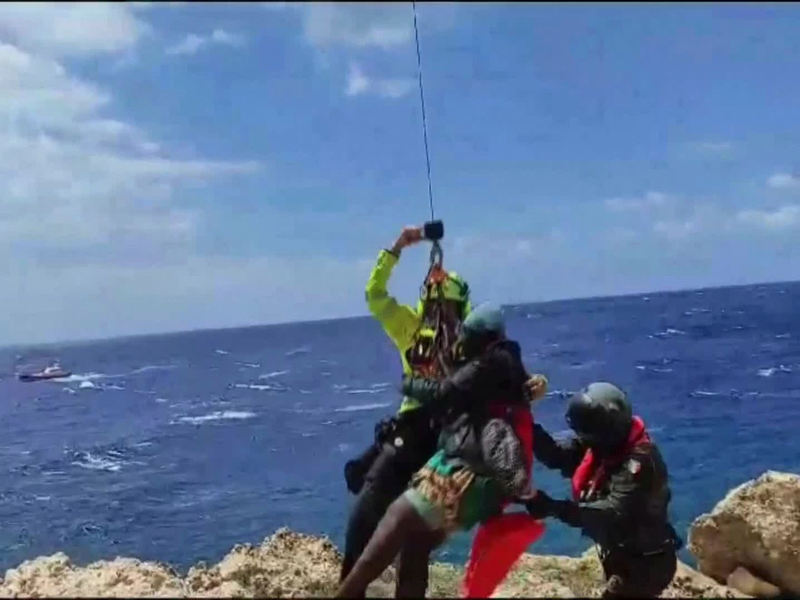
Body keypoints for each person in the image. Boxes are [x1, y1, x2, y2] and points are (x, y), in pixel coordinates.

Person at [337, 304, 548, 598]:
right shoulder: (506, 366)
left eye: (467, 334)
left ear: (483, 338)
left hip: (466, 478)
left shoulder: (491, 363)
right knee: (416, 543)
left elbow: (442, 395)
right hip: (481, 480)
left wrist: (409, 382)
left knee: (397, 517)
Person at [339, 225, 472, 594]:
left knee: (404, 537)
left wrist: (398, 247)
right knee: (372, 517)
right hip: (427, 437)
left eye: (444, 307)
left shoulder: (449, 336)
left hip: (434, 439)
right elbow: (375, 295)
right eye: (435, 305)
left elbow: (375, 294)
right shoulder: (432, 331)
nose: (439, 314)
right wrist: (397, 246)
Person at [524, 382, 681, 598]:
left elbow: (611, 512)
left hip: (646, 564)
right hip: (623, 555)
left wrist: (553, 508)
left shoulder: (640, 463)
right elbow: (557, 455)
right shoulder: (605, 448)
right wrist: (525, 426)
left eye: (586, 434)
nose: (582, 440)